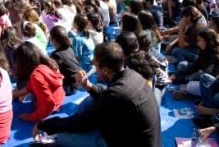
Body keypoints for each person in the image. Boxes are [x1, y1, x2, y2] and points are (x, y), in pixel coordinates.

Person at [34, 42, 162, 147]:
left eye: (95, 64)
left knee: (63, 137)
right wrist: (88, 86)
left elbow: (81, 122)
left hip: (129, 142)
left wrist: (44, 124)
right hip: (139, 135)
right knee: (92, 99)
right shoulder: (132, 75)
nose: (93, 66)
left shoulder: (116, 95)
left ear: (105, 69)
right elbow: (107, 95)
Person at [13, 42, 65, 121]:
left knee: (34, 104)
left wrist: (30, 117)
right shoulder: (48, 63)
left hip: (52, 107)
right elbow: (30, 87)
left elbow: (49, 105)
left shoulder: (36, 76)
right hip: (60, 99)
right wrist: (15, 95)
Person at [49, 26, 82, 95]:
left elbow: (52, 74)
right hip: (78, 83)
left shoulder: (56, 55)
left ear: (53, 39)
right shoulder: (69, 48)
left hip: (70, 87)